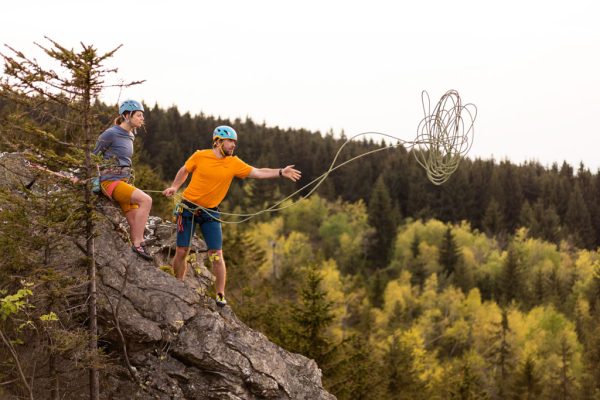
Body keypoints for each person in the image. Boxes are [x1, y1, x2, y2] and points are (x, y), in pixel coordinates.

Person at [162, 125, 301, 307]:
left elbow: (258, 172)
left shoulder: (234, 163)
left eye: (235, 142)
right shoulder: (200, 155)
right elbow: (184, 170)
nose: (233, 145)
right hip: (187, 208)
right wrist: (174, 186)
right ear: (218, 142)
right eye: (230, 141)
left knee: (216, 254)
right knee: (182, 250)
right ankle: (178, 284)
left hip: (210, 212)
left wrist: (281, 172)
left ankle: (220, 294)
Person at [93, 100, 153, 261]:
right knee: (146, 200)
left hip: (123, 182)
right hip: (109, 182)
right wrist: (84, 178)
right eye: (139, 115)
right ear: (127, 115)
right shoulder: (110, 133)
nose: (142, 119)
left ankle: (137, 248)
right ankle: (140, 243)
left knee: (134, 220)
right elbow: (93, 156)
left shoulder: (130, 135)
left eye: (142, 116)